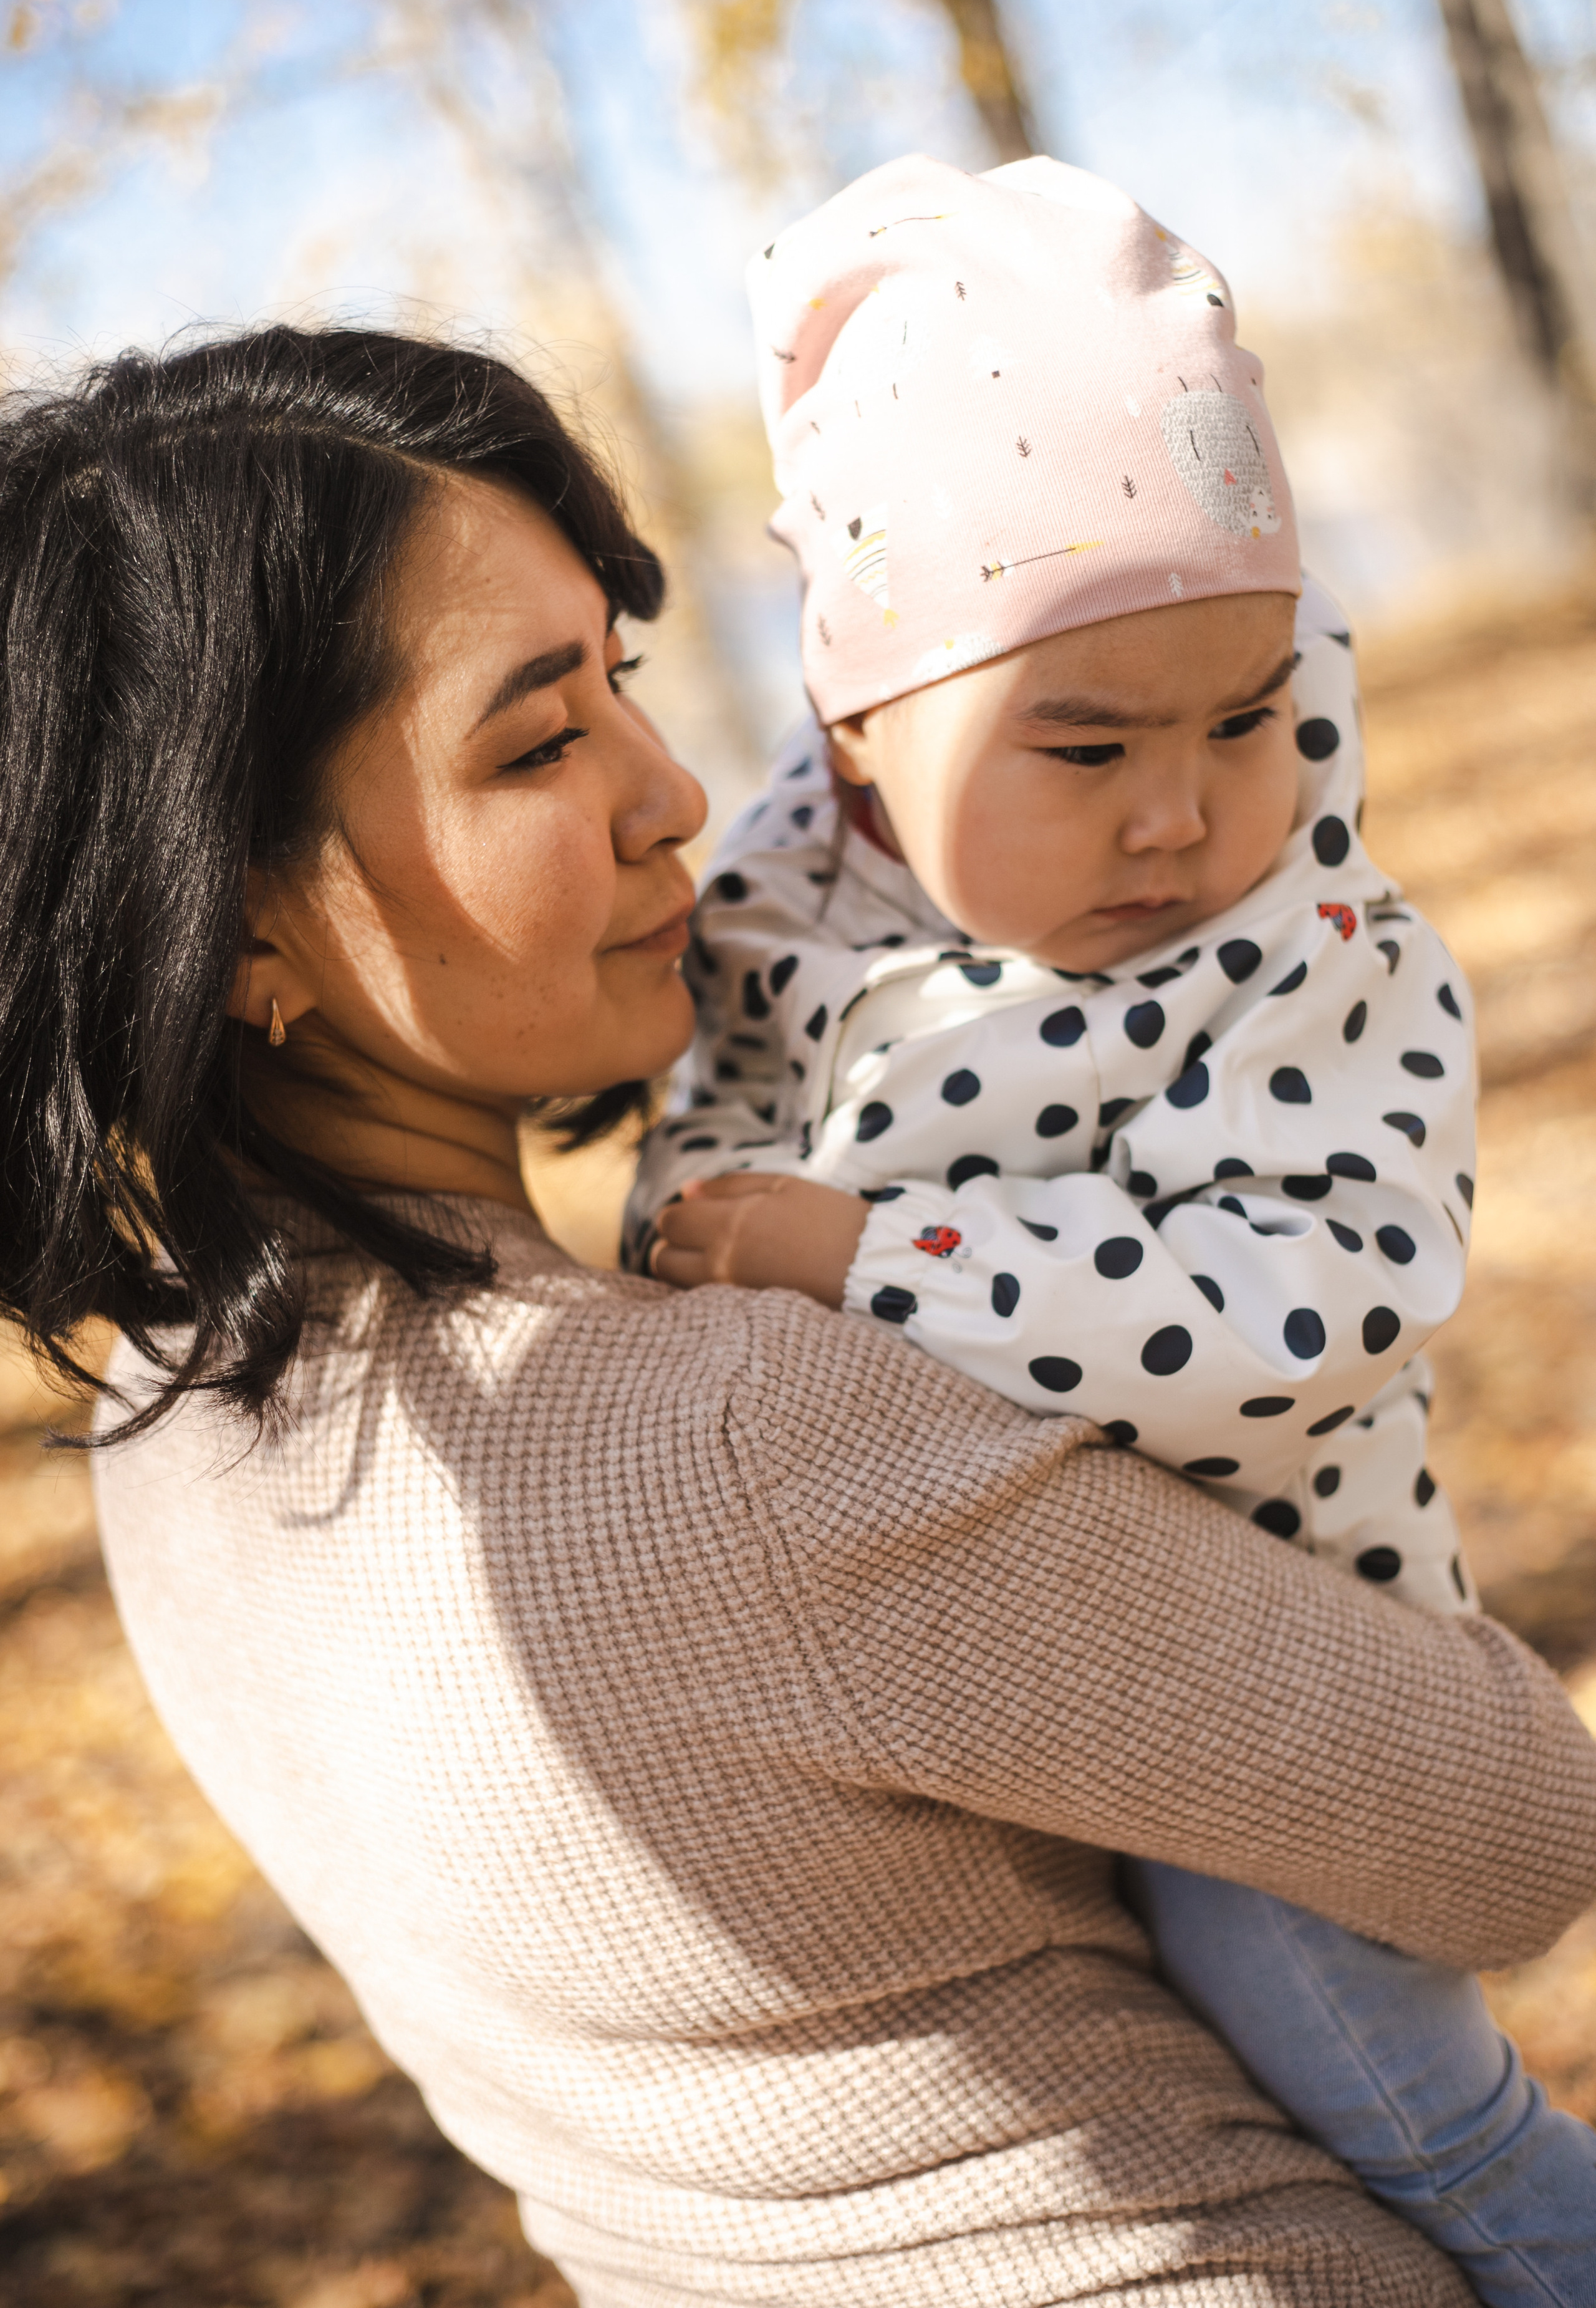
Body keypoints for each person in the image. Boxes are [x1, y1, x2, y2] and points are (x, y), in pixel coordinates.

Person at [2, 326, 1595, 2308]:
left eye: (622, 683)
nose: (674, 793)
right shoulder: (734, 1434)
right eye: (537, 744)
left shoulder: (166, 1418)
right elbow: (1512, 1830)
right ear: (232, 915)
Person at [628, 156, 1596, 2299]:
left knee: (1412, 2128)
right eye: (1084, 749)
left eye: (1245, 717)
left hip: (1282, 1685)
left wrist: (875, 1265)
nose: (1180, 811)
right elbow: (723, 1138)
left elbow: (1315, 1302)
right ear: (859, 740)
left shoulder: (1312, 953)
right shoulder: (785, 907)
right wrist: (700, 1231)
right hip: (988, 1681)